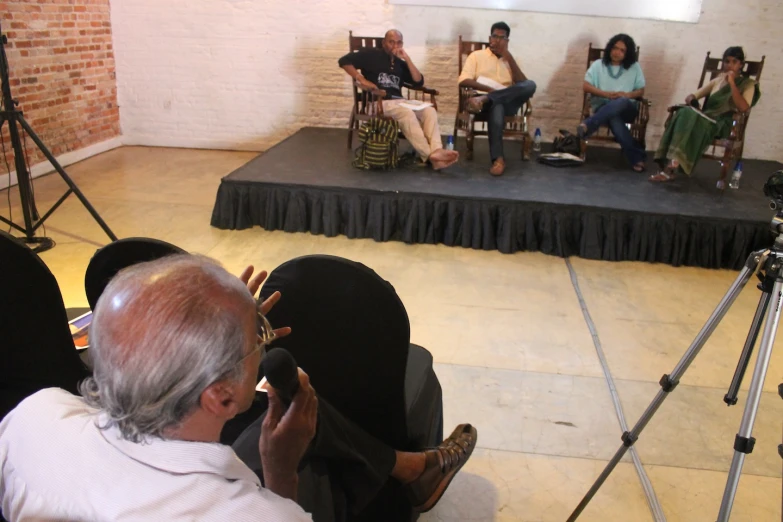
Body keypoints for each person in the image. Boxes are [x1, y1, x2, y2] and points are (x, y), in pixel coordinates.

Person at [0, 255, 476, 521]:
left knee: (297, 405)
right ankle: (411, 471)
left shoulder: (33, 416)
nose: (262, 343)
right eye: (258, 341)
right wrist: (281, 473)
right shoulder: (255, 516)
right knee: (303, 414)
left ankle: (410, 469)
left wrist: (221, 322)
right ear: (222, 397)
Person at [339, 30, 459, 171]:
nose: (395, 45)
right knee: (406, 113)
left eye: (399, 42)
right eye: (391, 41)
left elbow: (418, 81)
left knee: (429, 110)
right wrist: (361, 79)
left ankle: (437, 151)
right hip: (377, 102)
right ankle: (430, 155)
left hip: (399, 102)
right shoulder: (371, 55)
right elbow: (343, 61)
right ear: (384, 43)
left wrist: (406, 58)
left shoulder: (400, 63)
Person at [650, 46, 761, 182]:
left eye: (734, 62)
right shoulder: (717, 81)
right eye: (727, 61)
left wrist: (732, 83)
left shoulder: (748, 84)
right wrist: (693, 102)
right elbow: (691, 96)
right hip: (707, 118)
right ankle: (674, 162)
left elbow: (743, 107)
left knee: (693, 121)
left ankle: (671, 167)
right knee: (684, 112)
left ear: (741, 65)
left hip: (724, 123)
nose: (730, 65)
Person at [458, 22, 537, 176]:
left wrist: (509, 58)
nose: (498, 40)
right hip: (481, 103)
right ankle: (498, 159)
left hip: (504, 101)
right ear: (490, 38)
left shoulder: (511, 60)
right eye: (495, 36)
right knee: (497, 105)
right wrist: (489, 90)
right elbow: (464, 80)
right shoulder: (476, 56)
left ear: (507, 41)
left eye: (502, 38)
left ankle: (489, 98)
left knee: (531, 85)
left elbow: (523, 85)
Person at [577, 34, 647, 172]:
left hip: (628, 108)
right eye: (615, 48)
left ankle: (589, 125)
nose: (617, 52)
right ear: (610, 48)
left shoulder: (634, 67)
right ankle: (637, 158)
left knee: (621, 101)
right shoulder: (598, 65)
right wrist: (607, 94)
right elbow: (586, 86)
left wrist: (626, 95)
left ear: (627, 54)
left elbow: (640, 91)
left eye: (622, 50)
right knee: (614, 118)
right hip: (604, 107)